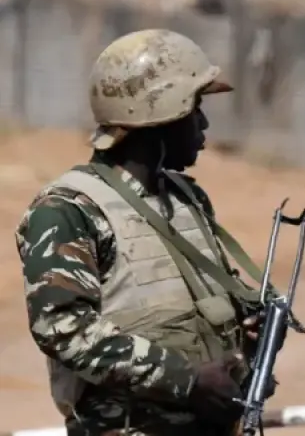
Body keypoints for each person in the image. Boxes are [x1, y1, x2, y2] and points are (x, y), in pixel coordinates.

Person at [16, 29, 275, 435]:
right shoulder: (69, 210)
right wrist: (187, 381)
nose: (204, 124)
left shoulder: (187, 198)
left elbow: (199, 313)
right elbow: (63, 328)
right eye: (195, 108)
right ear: (162, 115)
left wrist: (247, 348)